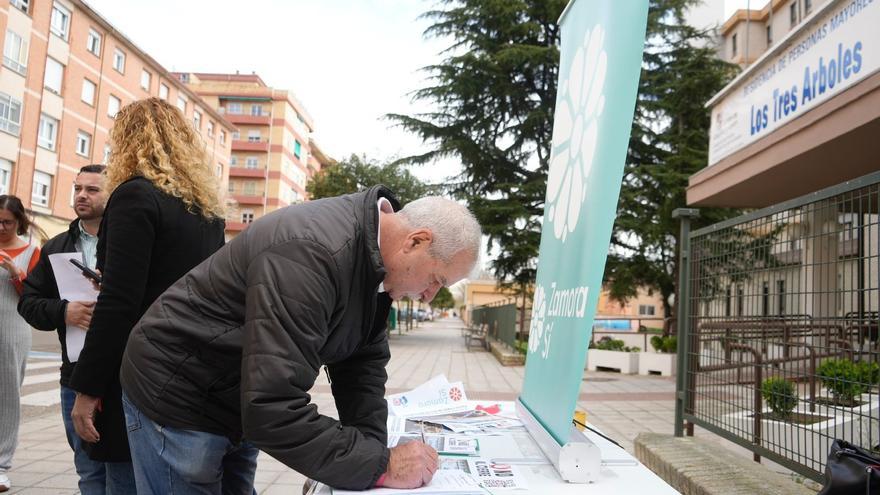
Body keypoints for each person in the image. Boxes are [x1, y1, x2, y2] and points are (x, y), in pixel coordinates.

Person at [119, 187, 481, 493]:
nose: (430, 296)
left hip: (234, 392)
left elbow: (362, 365)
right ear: (416, 241)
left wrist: (371, 453)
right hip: (179, 389)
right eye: (436, 279)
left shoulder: (375, 263)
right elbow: (272, 407)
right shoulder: (312, 253)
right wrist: (380, 465)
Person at [68, 98, 226, 485]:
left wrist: (87, 388)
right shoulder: (206, 210)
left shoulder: (134, 195)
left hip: (139, 368)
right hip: (191, 368)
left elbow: (120, 302)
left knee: (125, 476)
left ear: (126, 141)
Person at [17, 165, 132, 494]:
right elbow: (28, 303)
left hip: (123, 375)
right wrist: (64, 310)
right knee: (89, 471)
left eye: (92, 189)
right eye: (78, 188)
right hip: (76, 374)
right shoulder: (57, 246)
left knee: (123, 471)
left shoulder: (131, 242)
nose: (82, 195)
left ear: (112, 196)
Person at [0, 195, 43, 492]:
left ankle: (1, 464)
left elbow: (34, 296)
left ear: (19, 222)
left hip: (12, 330)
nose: (1, 227)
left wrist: (17, 274)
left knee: (7, 398)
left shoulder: (31, 251)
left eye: (7, 222)